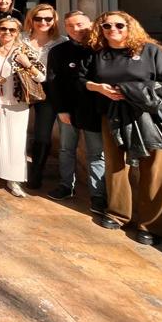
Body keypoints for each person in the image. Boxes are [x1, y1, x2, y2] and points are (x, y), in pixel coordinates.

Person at [80, 11, 162, 245]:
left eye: (119, 25)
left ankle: (152, 226)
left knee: (155, 169)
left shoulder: (150, 51)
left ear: (130, 27)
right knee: (116, 165)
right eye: (106, 26)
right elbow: (83, 79)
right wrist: (98, 88)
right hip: (115, 115)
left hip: (155, 117)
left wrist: (130, 91)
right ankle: (118, 214)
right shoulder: (100, 55)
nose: (112, 29)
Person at [45, 11, 106, 214]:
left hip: (93, 110)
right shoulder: (58, 51)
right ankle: (65, 186)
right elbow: (53, 83)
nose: (75, 29)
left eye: (79, 24)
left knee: (96, 154)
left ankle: (98, 196)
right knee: (66, 149)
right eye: (70, 26)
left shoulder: (100, 49)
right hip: (68, 110)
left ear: (90, 24)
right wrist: (61, 109)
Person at [0, 16, 45, 197]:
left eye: (12, 30)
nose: (7, 32)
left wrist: (27, 63)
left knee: (15, 142)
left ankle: (13, 179)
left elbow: (42, 76)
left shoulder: (23, 50)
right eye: (3, 29)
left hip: (17, 103)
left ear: (17, 33)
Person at [23, 4, 68, 189]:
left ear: (54, 20)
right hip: (23, 90)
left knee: (42, 135)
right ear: (31, 20)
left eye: (48, 19)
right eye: (38, 18)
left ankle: (36, 174)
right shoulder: (20, 39)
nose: (43, 22)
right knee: (16, 132)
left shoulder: (62, 42)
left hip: (49, 92)